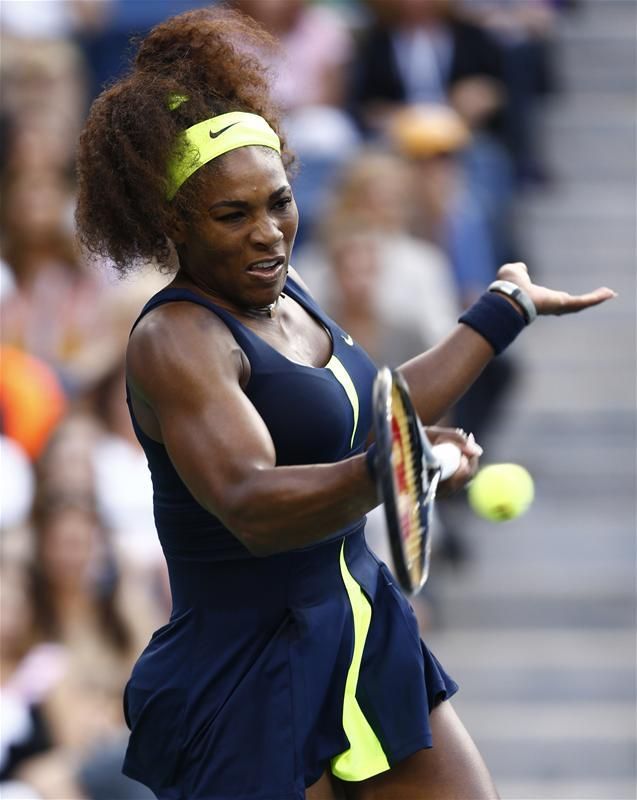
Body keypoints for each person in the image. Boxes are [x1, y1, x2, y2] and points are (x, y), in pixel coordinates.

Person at [74, 8, 615, 800]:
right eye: (233, 215)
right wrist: (393, 468)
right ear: (170, 224)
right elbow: (249, 501)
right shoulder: (176, 339)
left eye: (279, 202)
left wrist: (503, 310)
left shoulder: (285, 295)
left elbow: (376, 411)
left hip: (359, 621)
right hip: (246, 668)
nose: (269, 234)